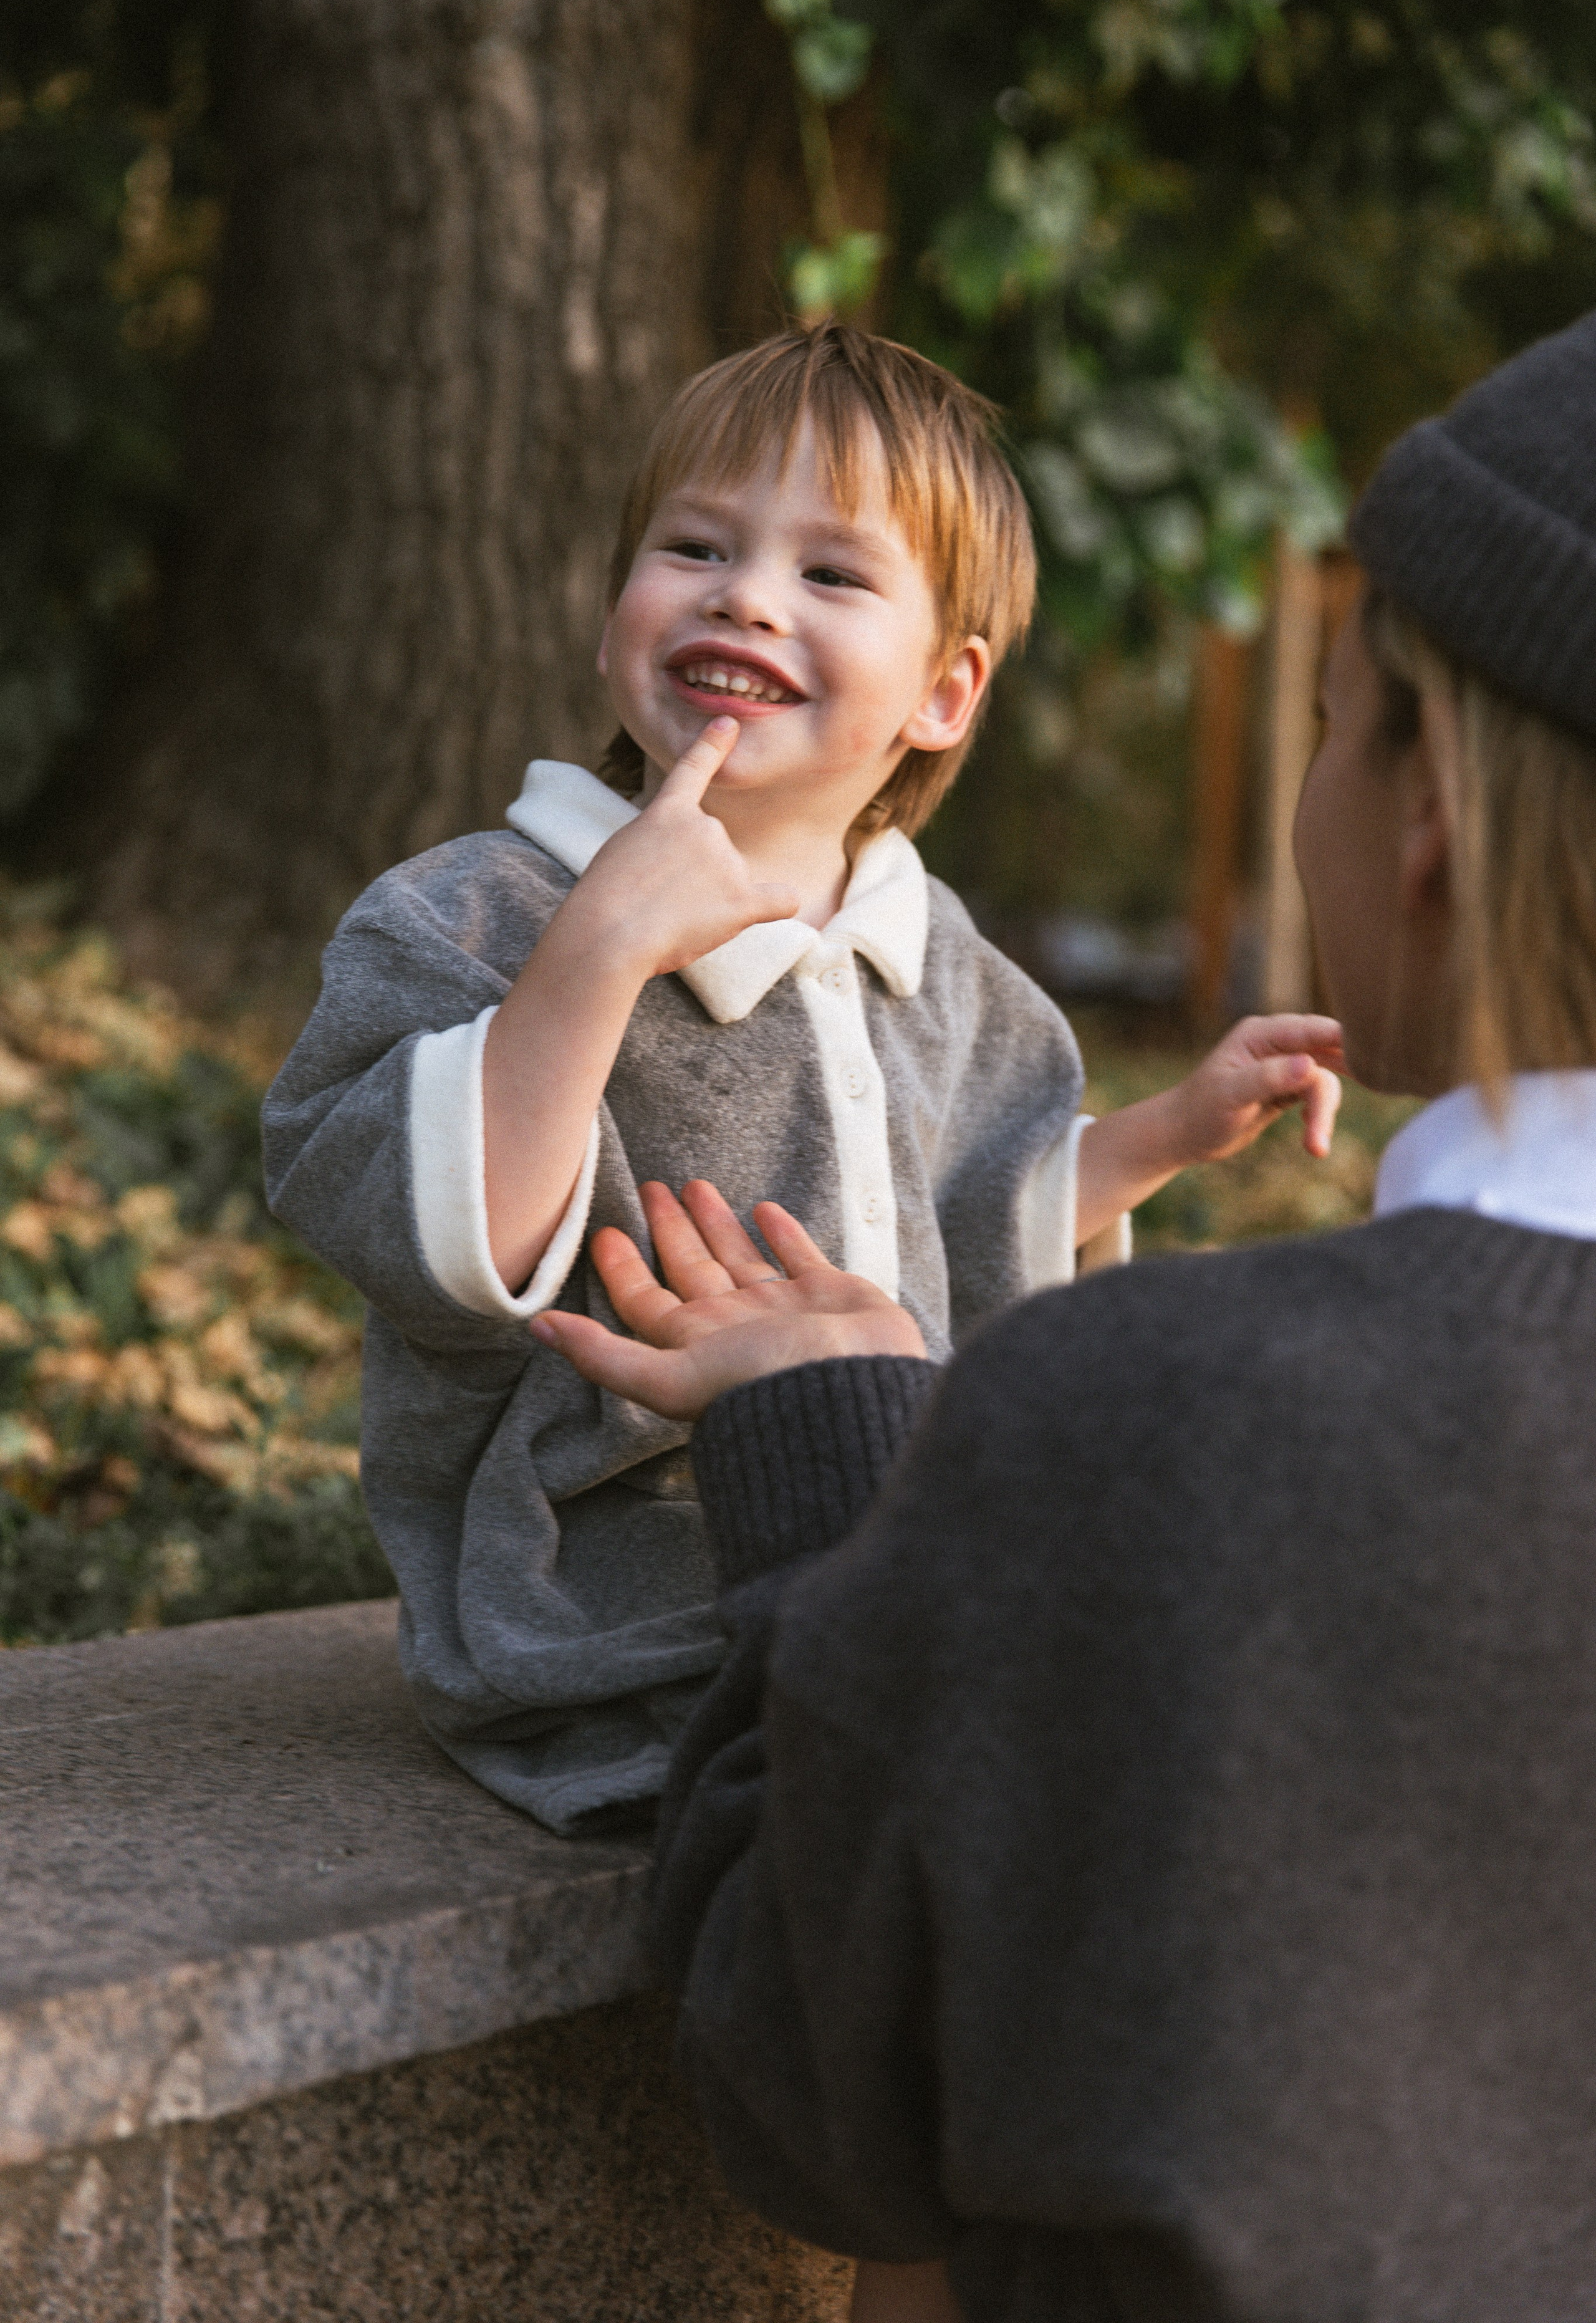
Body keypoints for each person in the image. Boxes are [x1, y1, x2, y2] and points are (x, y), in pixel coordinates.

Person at [532, 307, 1596, 2322]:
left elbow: (815, 2096)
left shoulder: (1160, 1428)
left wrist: (847, 1459)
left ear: (1431, 805)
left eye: (1321, 725)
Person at [262, 322, 1339, 1839]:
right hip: (611, 1632)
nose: (746, 596)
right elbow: (434, 1249)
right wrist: (594, 954)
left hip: (890, 1578)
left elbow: (969, 1201)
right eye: (693, 547)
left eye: (830, 575)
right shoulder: (476, 914)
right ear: (611, 617)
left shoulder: (945, 962)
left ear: (942, 695)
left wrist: (1160, 1136)